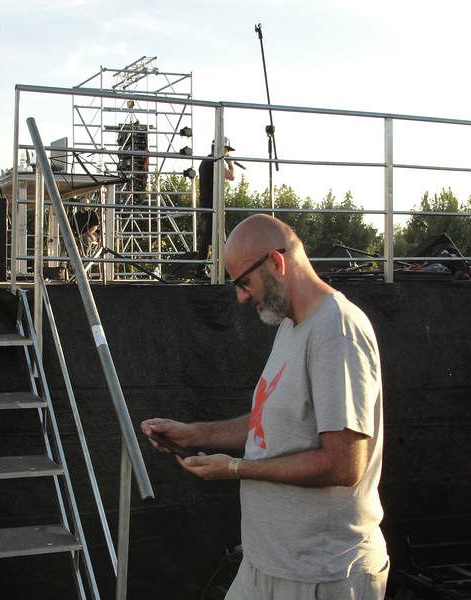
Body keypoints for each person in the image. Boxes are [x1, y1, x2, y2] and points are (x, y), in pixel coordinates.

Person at [141, 214, 388, 599]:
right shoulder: (292, 326)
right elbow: (272, 422)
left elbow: (344, 464)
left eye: (243, 282)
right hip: (269, 564)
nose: (240, 296)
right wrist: (195, 433)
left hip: (320, 575)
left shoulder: (336, 331)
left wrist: (236, 468)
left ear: (276, 262)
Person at [195, 137, 235, 279]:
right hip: (213, 204)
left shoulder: (206, 161)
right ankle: (207, 269)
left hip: (208, 203)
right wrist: (231, 164)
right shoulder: (215, 162)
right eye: (227, 150)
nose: (228, 153)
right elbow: (232, 176)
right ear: (221, 148)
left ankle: (221, 268)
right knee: (211, 237)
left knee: (212, 237)